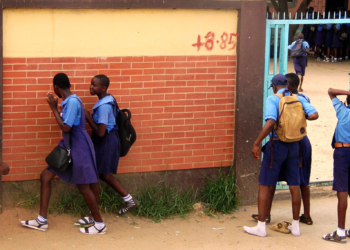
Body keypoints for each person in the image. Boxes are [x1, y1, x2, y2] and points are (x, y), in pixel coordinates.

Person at [20, 73, 106, 235]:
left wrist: (53, 108)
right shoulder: (69, 101)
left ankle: (100, 224)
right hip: (70, 145)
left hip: (78, 146)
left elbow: (66, 127)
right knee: (45, 176)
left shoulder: (72, 102)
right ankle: (41, 220)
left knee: (83, 185)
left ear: (56, 88)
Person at [244, 74, 318, 237]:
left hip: (277, 145)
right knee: (294, 184)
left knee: (265, 183)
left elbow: (270, 122)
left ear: (275, 86)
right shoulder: (298, 98)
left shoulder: (273, 99)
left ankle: (261, 226)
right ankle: (296, 226)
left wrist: (256, 143)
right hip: (295, 145)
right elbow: (314, 115)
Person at [78, 74, 137, 226]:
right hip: (106, 141)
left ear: (103, 88)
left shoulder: (104, 106)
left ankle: (92, 214)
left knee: (96, 176)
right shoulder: (107, 99)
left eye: (94, 85)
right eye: (91, 84)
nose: (91, 87)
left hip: (106, 141)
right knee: (103, 175)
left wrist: (87, 117)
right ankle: (128, 200)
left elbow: (101, 132)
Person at [322, 88, 350, 243]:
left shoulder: (343, 111)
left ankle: (340, 232)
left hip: (343, 152)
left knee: (342, 191)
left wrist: (348, 92)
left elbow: (331, 91)